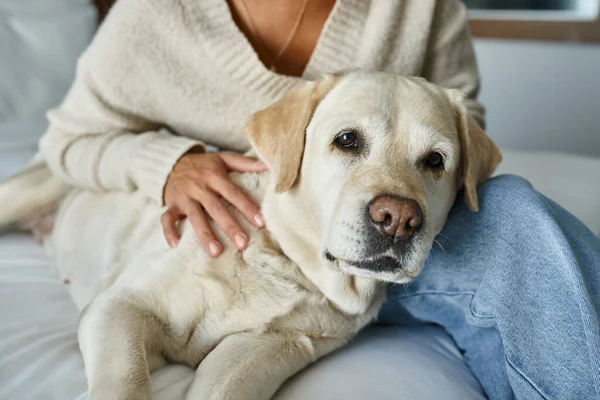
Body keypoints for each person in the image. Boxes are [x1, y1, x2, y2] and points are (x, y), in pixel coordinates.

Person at [39, 0, 600, 399]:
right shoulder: (154, 13)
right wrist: (171, 165)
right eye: (347, 141)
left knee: (518, 213)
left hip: (385, 269)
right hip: (272, 221)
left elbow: (462, 126)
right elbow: (68, 139)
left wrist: (431, 169)